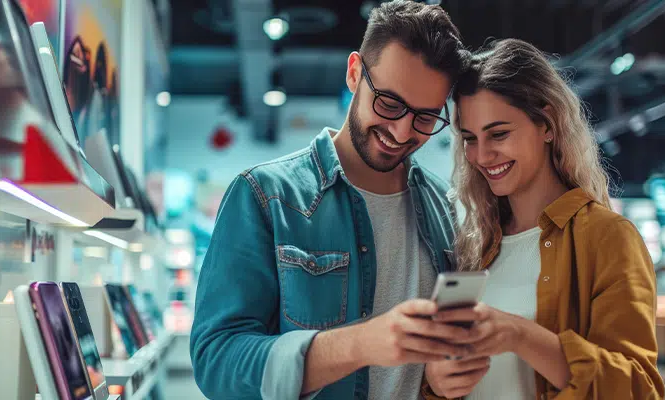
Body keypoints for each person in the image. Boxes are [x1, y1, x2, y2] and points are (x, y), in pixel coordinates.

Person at [190, 2, 473, 399]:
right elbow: (216, 361)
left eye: (426, 117)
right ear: (355, 73)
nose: (402, 130)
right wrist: (357, 345)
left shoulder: (443, 207)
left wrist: (439, 379)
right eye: (389, 104)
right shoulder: (265, 196)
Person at [422, 39, 665, 400]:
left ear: (547, 124)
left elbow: (639, 389)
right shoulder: (476, 244)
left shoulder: (608, 237)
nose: (482, 155)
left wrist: (521, 335)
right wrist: (437, 383)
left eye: (499, 134)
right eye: (470, 138)